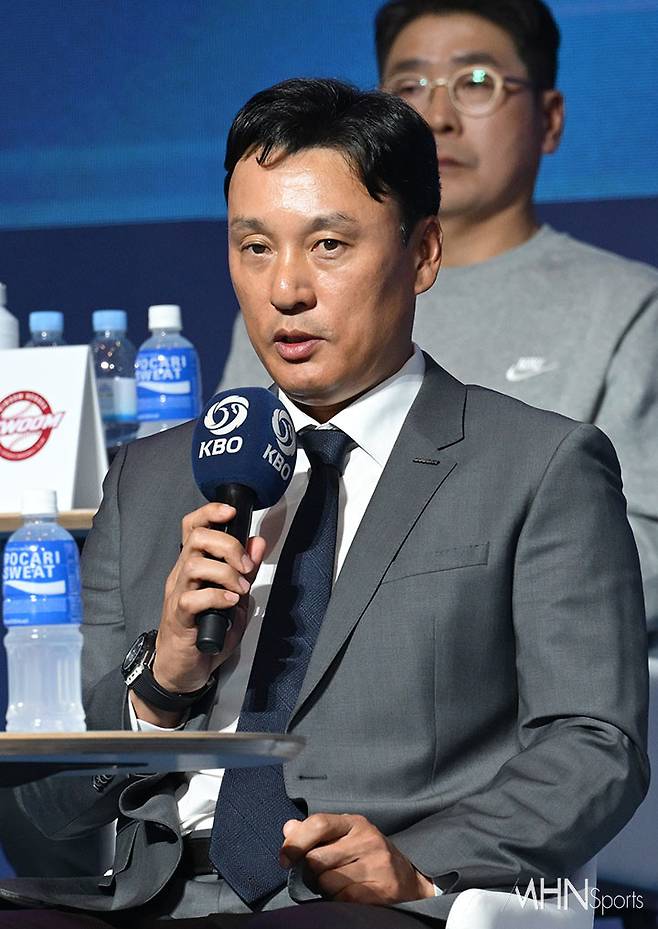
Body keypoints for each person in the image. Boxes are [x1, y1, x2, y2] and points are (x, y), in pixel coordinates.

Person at [0, 78, 648, 928]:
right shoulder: (150, 477)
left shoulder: (538, 465)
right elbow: (38, 808)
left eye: (329, 245)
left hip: (359, 898)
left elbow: (594, 745)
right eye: (254, 246)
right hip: (142, 897)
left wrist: (422, 863)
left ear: (423, 253)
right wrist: (159, 687)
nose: (286, 289)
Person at [218, 0, 658, 635]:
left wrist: (417, 609)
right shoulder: (287, 310)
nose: (438, 116)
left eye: (477, 82)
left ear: (550, 118)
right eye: (410, 86)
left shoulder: (627, 307)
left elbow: (636, 560)